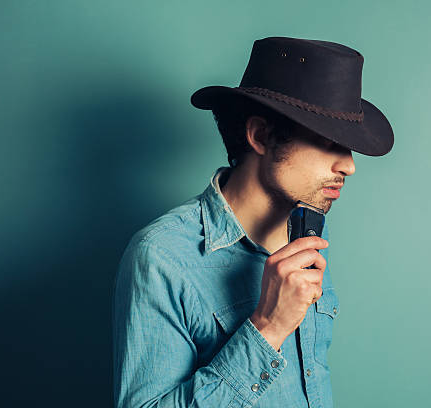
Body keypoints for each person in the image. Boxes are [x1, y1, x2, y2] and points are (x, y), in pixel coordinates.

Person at [112, 36, 394, 408]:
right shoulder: (163, 258)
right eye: (329, 142)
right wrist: (268, 327)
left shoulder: (308, 237)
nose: (349, 166)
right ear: (261, 136)